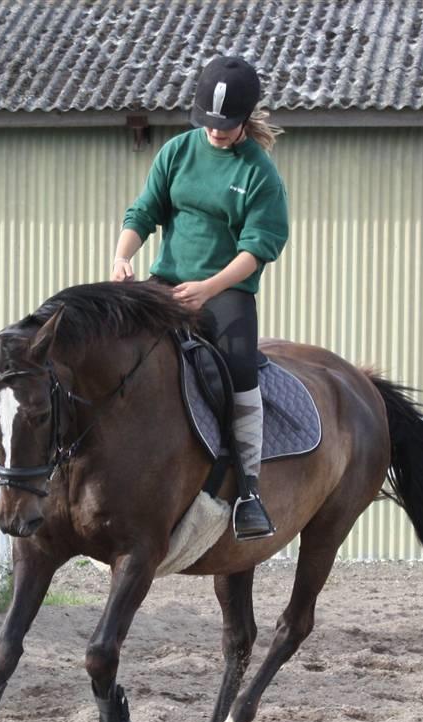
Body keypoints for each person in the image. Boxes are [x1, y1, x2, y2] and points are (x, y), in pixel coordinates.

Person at [111, 56, 289, 541]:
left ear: (245, 120)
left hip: (225, 294)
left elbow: (258, 248)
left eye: (226, 126)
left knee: (239, 371)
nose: (215, 132)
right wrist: (123, 256)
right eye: (208, 123)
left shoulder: (259, 174)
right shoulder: (176, 152)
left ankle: (249, 490)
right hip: (164, 284)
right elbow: (144, 210)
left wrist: (209, 288)